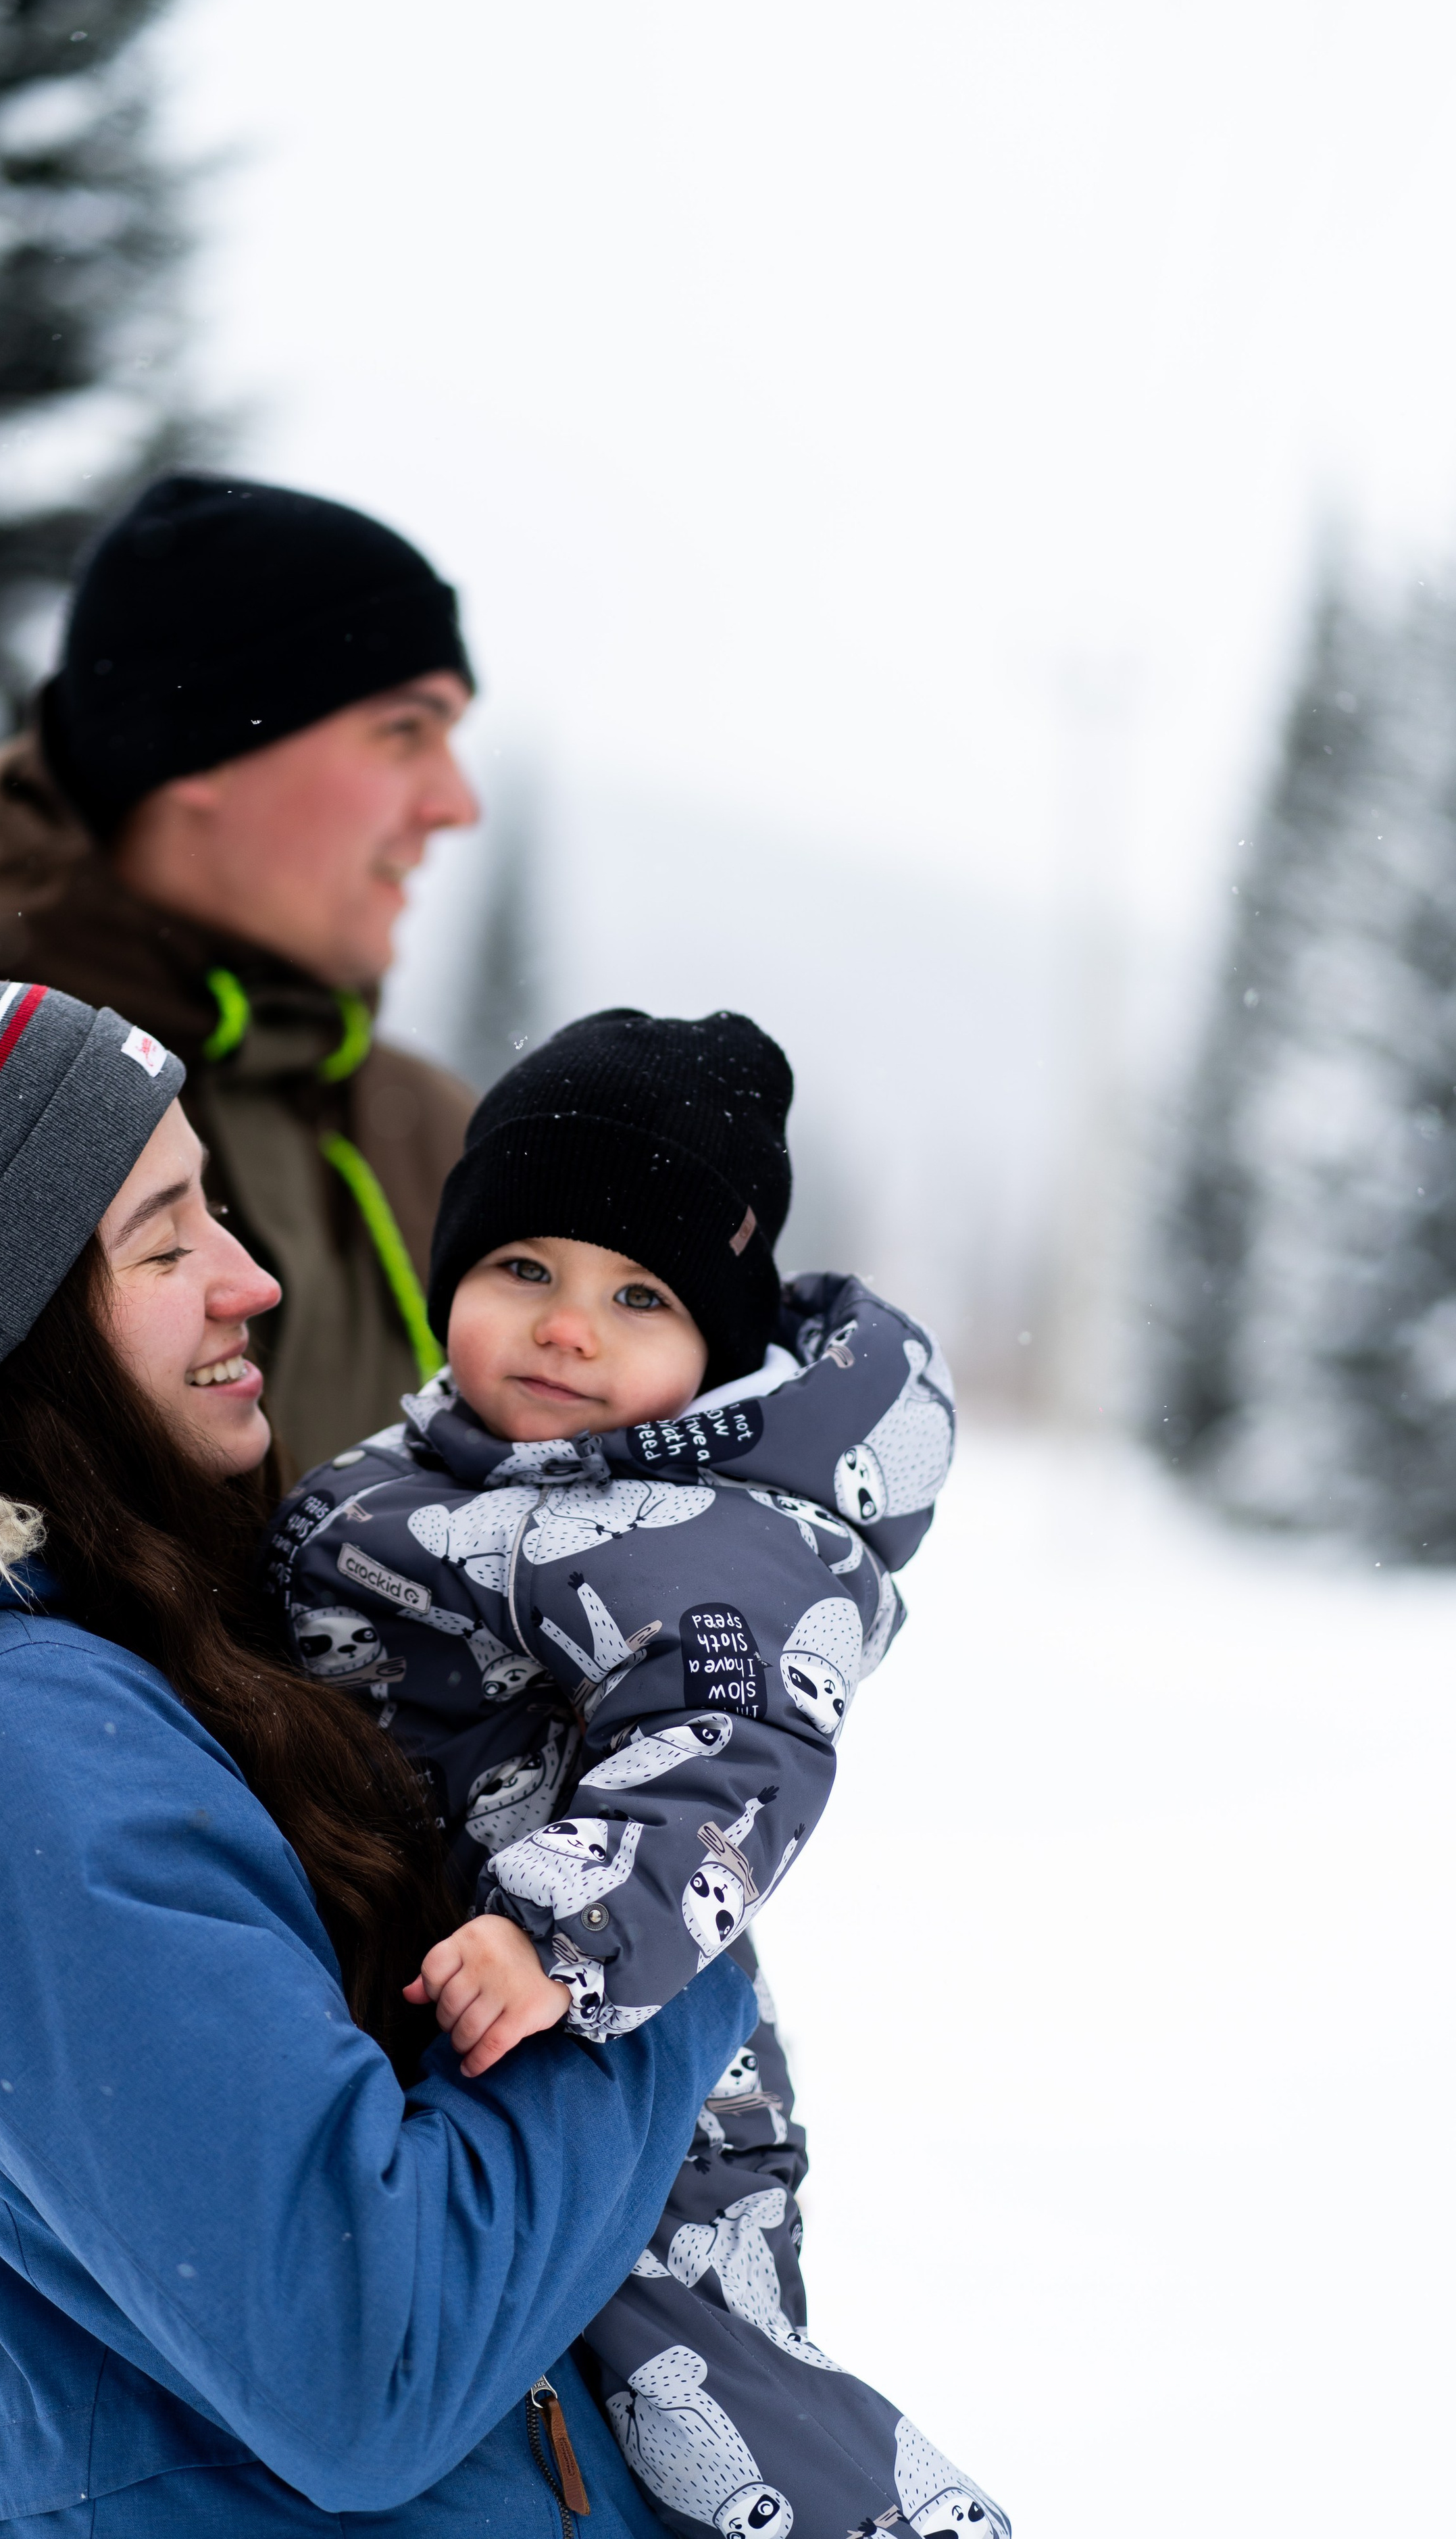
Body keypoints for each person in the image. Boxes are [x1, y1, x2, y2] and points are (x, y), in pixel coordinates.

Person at [0, 929, 757, 2535]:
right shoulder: (7, 1751)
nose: (249, 1276)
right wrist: (659, 1935)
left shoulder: (90, 1666)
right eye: (163, 1243)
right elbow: (370, 2355)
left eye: (210, 1203)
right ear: (7, 1333)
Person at [0, 474, 483, 2529]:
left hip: (368, 2238)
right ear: (206, 761)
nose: (452, 803)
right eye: (403, 732)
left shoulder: (426, 1142)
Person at [263, 1009, 1012, 2538]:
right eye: (521, 1268)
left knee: (705, 2404)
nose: (565, 1329)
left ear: (713, 1348)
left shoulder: (722, 1541)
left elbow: (724, 1760)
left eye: (638, 1297)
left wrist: (559, 1930)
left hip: (631, 2058)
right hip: (446, 2010)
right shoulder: (395, 1482)